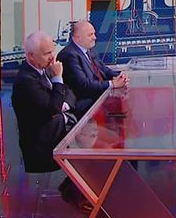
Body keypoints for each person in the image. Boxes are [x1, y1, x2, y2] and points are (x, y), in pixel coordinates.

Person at [11, 31, 91, 213]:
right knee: (92, 147)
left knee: (99, 138)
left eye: (52, 51)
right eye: (47, 53)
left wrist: (62, 103)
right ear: (31, 56)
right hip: (44, 141)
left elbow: (69, 94)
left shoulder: (43, 69)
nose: (52, 57)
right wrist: (57, 80)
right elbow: (53, 107)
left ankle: (74, 189)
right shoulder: (26, 81)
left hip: (59, 125)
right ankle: (76, 194)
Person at [57, 21, 129, 114]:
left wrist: (120, 76)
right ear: (77, 38)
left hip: (98, 96)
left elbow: (104, 70)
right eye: (90, 35)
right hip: (85, 104)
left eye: (94, 34)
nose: (94, 37)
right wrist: (112, 84)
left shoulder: (88, 50)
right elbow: (83, 85)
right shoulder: (70, 55)